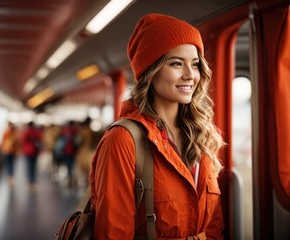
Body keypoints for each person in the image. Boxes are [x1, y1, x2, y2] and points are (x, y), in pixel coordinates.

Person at [89, 13, 225, 239]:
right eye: (176, 64)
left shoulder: (201, 135)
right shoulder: (123, 140)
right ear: (150, 72)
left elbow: (214, 226)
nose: (190, 75)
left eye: (195, 64)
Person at [21, 121, 42, 191]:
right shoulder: (36, 132)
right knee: (34, 166)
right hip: (35, 151)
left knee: (29, 166)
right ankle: (33, 181)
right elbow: (40, 140)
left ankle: (30, 181)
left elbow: (23, 140)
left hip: (28, 151)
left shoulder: (26, 132)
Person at [0, 121, 19, 187]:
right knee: (9, 164)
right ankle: (9, 177)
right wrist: (3, 149)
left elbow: (17, 143)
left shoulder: (13, 133)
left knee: (11, 164)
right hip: (7, 151)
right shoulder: (7, 133)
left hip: (12, 151)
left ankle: (11, 177)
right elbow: (2, 142)